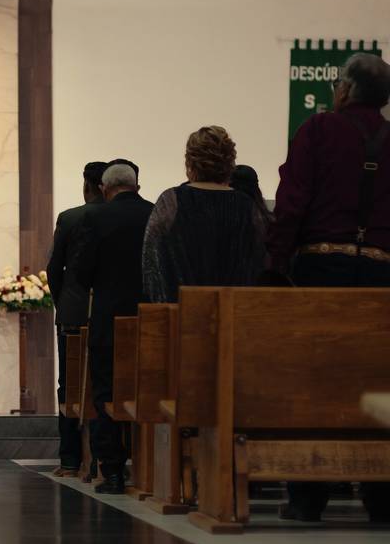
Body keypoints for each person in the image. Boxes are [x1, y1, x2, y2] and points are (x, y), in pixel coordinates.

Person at [269, 53, 390, 523]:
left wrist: (277, 265)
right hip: (382, 274)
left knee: (315, 380)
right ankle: (382, 500)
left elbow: (292, 202)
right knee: (379, 380)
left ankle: (307, 498)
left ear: (342, 90)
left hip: (322, 269)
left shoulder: (317, 130)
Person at [73, 163, 154, 493]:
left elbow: (80, 271)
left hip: (109, 318)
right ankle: (149, 466)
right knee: (148, 388)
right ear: (136, 186)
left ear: (105, 189)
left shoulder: (96, 217)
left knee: (107, 392)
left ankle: (114, 471)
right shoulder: (154, 213)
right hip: (152, 317)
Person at [143, 127, 267, 304]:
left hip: (182, 312)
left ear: (190, 162)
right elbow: (259, 262)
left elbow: (151, 263)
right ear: (230, 162)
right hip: (233, 312)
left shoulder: (171, 201)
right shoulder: (247, 206)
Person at [46, 161, 107, 478]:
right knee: (107, 385)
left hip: (74, 315)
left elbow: (54, 270)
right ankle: (106, 459)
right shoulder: (130, 216)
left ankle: (70, 460)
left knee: (68, 386)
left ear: (88, 186)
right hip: (113, 315)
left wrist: (64, 303)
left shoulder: (70, 218)